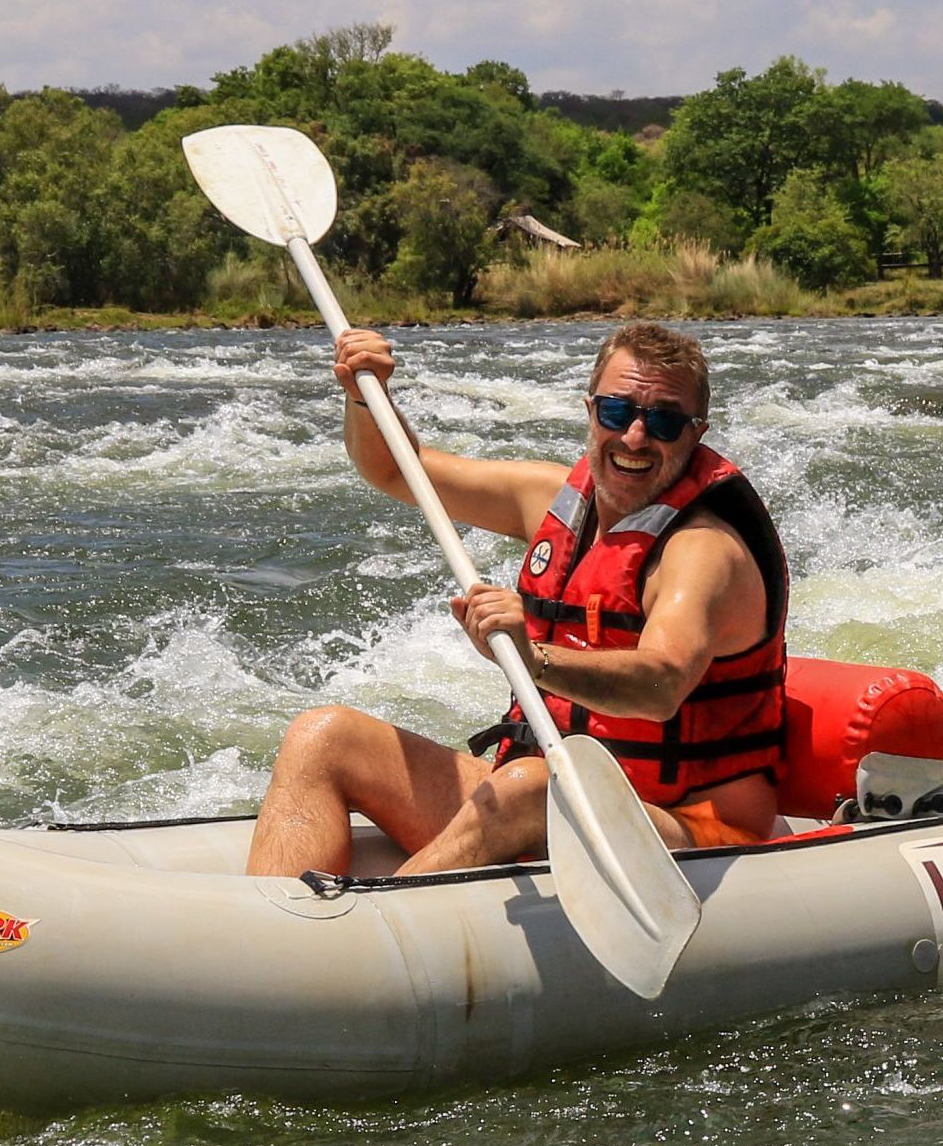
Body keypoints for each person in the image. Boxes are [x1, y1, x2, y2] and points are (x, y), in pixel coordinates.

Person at [247, 321, 789, 879]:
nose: (634, 437)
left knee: (535, 787)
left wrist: (535, 659)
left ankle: (376, 925)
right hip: (551, 798)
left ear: (696, 433)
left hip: (695, 826)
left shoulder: (702, 552)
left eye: (664, 421)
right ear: (590, 409)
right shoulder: (551, 501)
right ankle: (271, 936)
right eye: (616, 412)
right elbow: (393, 470)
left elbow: (661, 685)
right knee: (323, 737)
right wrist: (365, 397)